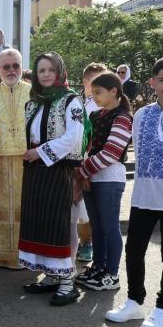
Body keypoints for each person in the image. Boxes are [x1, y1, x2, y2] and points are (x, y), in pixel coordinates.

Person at [105, 57, 163, 327]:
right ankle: (134, 301)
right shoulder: (142, 115)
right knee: (134, 249)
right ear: (152, 82)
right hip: (144, 196)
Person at [18, 52, 86, 306]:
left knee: (59, 224)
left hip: (59, 169)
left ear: (59, 72)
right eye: (41, 70)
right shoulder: (33, 102)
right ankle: (51, 275)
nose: (45, 74)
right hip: (35, 169)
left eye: (50, 70)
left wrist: (39, 152)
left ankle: (68, 281)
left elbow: (74, 138)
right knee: (40, 221)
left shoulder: (71, 101)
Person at [73, 72, 133, 291]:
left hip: (109, 178)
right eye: (93, 92)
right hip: (92, 177)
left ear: (114, 91)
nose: (95, 97)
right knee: (97, 228)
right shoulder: (96, 116)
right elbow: (87, 146)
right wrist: (85, 172)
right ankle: (98, 267)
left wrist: (83, 171)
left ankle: (112, 274)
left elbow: (112, 152)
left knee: (109, 227)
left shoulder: (123, 117)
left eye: (98, 92)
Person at [0, 48, 30, 269]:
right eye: (5, 66)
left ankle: (26, 255)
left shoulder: (34, 93)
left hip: (27, 162)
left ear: (22, 67)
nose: (11, 70)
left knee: (26, 208)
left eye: (15, 66)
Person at [74, 62, 107, 264]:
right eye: (95, 81)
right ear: (86, 82)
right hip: (83, 162)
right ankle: (85, 242)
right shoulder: (85, 103)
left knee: (92, 208)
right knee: (83, 207)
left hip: (96, 163)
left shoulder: (102, 105)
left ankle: (90, 245)